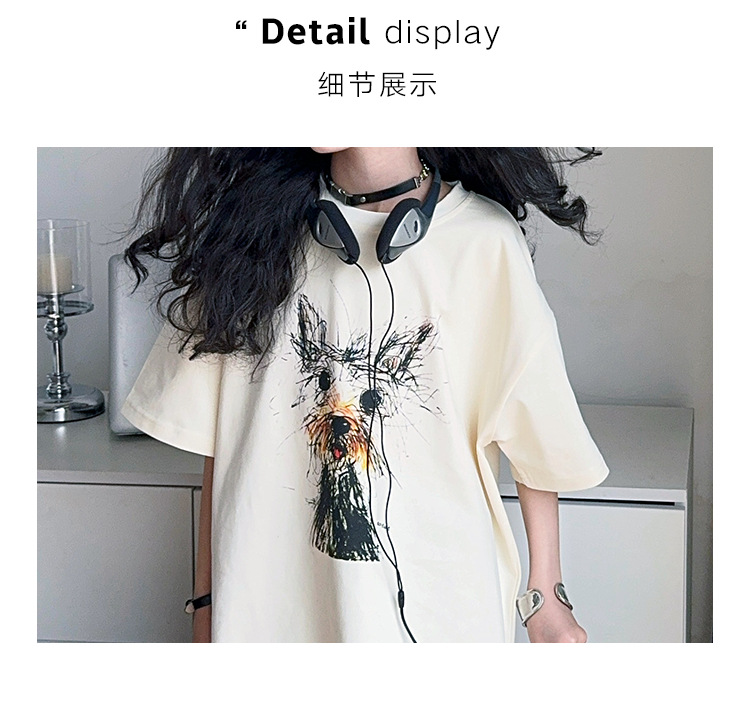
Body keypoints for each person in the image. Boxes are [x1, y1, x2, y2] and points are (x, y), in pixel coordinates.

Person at [122, 147, 609, 643]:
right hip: (269, 614)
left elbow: (533, 432)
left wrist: (547, 594)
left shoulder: (486, 242)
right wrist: (206, 602)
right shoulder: (248, 232)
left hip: (442, 610)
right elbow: (220, 440)